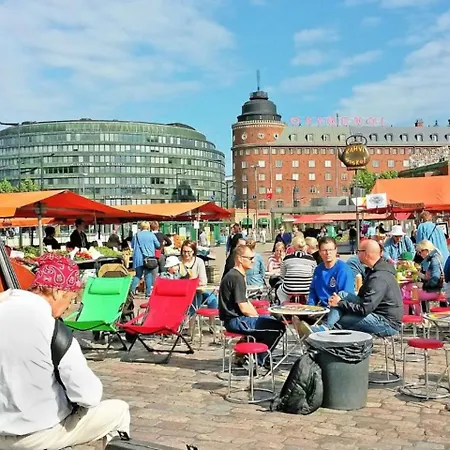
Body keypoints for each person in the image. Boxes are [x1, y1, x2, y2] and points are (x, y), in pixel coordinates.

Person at [0, 253, 130, 449]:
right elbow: (88, 395)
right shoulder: (52, 329)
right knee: (118, 411)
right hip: (35, 436)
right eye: (70, 298)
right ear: (56, 291)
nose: (69, 306)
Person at [298, 239, 403, 336]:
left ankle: (322, 338)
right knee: (342, 295)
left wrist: (339, 303)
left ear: (366, 254)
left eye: (359, 251)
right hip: (373, 312)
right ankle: (324, 329)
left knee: (340, 320)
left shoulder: (378, 277)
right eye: (324, 250)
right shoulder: (374, 271)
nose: (357, 254)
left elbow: (365, 309)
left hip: (386, 322)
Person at [219, 245, 285, 367]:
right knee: (278, 328)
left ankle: (253, 356)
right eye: (250, 258)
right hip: (235, 320)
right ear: (240, 259)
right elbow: (244, 307)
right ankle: (256, 361)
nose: (253, 261)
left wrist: (258, 317)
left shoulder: (236, 275)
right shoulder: (236, 277)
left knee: (271, 323)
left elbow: (246, 302)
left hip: (236, 319)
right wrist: (257, 318)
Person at [307, 237, 355, 308]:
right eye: (324, 250)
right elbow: (313, 292)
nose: (328, 253)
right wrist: (310, 307)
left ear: (336, 250)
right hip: (322, 308)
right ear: (319, 252)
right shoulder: (318, 269)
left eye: (330, 250)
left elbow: (347, 296)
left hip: (338, 307)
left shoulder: (344, 270)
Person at [276, 236, 316, 304]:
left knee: (279, 291)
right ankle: (308, 304)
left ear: (293, 247)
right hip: (306, 289)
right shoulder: (311, 259)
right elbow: (314, 275)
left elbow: (282, 276)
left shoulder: (287, 258)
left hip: (289, 289)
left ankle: (285, 304)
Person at [130, 221, 160, 297]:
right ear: (148, 227)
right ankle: (148, 292)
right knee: (148, 275)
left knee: (138, 275)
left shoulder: (136, 235)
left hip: (138, 258)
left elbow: (132, 246)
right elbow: (158, 245)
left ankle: (131, 291)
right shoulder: (151, 235)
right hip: (149, 258)